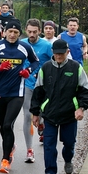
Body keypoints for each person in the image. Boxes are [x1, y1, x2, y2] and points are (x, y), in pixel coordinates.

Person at [30, 39, 88, 174]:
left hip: (69, 114)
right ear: (53, 53)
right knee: (49, 144)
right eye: (56, 54)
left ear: (67, 52)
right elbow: (37, 92)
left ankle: (68, 159)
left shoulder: (76, 68)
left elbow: (86, 90)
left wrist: (81, 108)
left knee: (69, 143)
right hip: (50, 114)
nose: (58, 57)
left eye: (61, 54)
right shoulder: (45, 68)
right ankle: (50, 172)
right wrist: (35, 113)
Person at [0, 19, 39, 174]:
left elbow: (35, 62)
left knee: (7, 125)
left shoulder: (25, 47)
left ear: (19, 34)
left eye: (16, 32)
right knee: (3, 125)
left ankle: (5, 160)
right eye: (10, 31)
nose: (12, 34)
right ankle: (11, 146)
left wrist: (28, 71)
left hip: (17, 93)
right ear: (5, 32)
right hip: (0, 92)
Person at [21, 19, 52, 163]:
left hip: (43, 86)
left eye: (35, 32)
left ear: (40, 31)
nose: (32, 34)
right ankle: (29, 150)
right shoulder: (22, 44)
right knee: (27, 115)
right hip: (27, 84)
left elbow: (54, 63)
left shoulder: (46, 46)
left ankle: (41, 122)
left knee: (42, 113)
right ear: (26, 30)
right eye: (29, 32)